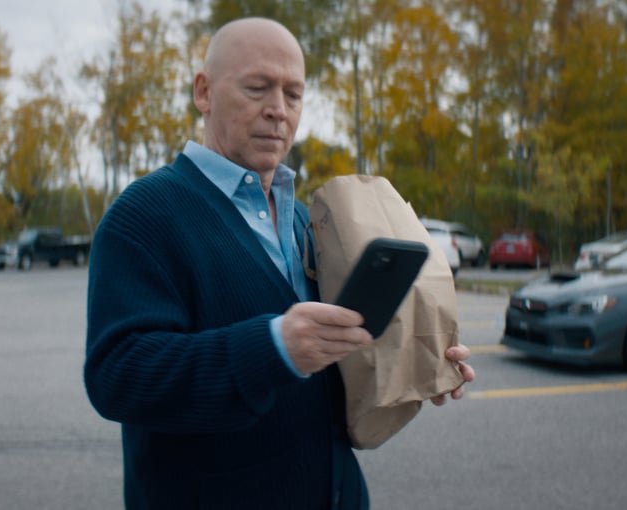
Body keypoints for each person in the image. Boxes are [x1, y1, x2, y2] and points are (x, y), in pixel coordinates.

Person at [83, 17, 476, 509]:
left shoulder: (300, 220)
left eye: (294, 94)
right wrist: (272, 346)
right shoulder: (143, 214)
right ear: (203, 92)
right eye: (257, 88)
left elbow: (322, 368)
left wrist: (416, 363)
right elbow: (116, 375)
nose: (278, 111)